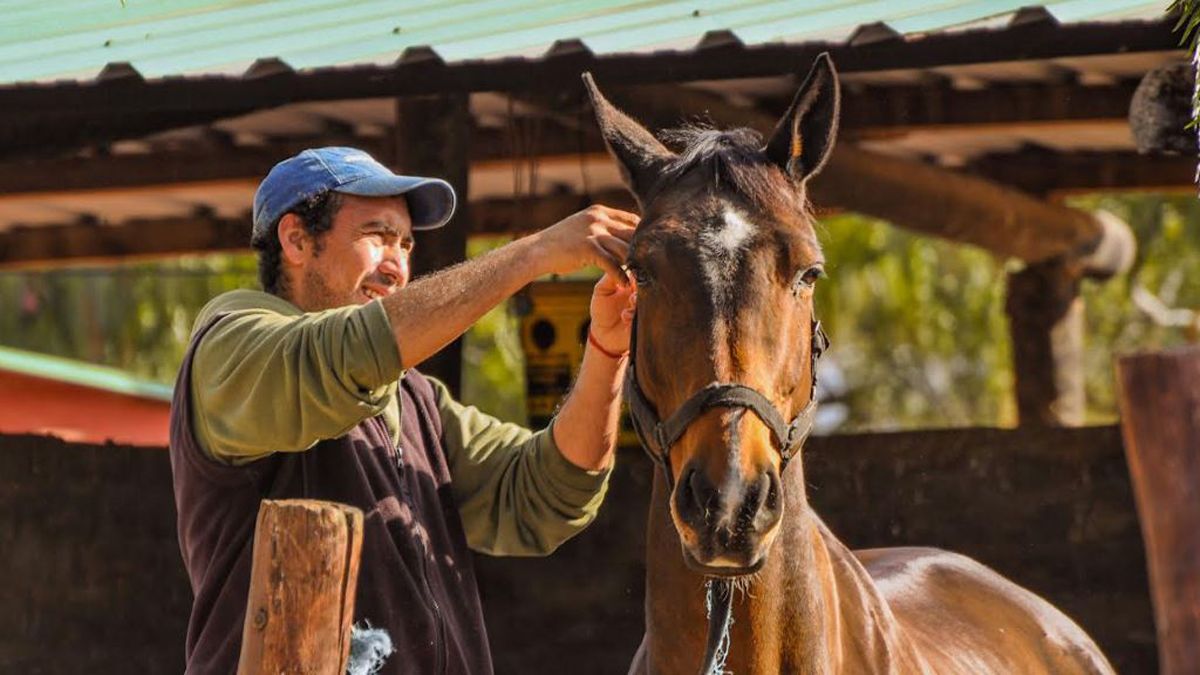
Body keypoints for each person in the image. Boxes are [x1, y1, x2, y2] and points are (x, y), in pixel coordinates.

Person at [168, 146, 638, 674]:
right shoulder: (230, 341)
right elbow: (346, 354)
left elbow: (548, 493)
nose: (398, 265)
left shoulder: (416, 400)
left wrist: (607, 349)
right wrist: (533, 254)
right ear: (296, 239)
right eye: (377, 236)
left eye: (407, 243)